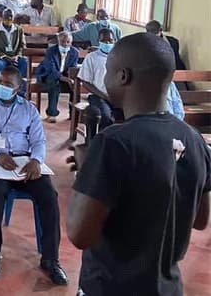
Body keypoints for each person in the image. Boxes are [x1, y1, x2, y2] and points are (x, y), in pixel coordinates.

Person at [66, 32, 210, 296]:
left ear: (123, 76)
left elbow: (80, 234)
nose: (104, 78)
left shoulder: (113, 142)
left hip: (111, 287)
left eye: (108, 70)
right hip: (167, 287)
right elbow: (200, 219)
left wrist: (87, 173)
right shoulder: (195, 140)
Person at [0, 66, 68, 286]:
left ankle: (50, 259)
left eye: (7, 84)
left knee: (49, 195)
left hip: (23, 162)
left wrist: (36, 160)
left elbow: (39, 141)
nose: (1, 86)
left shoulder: (29, 109)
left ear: (18, 88)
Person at [78, 28, 120, 131]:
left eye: (110, 40)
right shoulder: (92, 57)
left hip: (118, 96)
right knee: (105, 116)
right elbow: (85, 82)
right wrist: (105, 96)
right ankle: (101, 139)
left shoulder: (120, 57)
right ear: (99, 41)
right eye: (103, 41)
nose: (107, 43)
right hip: (98, 96)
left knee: (131, 116)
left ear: (115, 41)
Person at [35, 31, 80, 123]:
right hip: (48, 75)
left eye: (68, 42)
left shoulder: (74, 52)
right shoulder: (51, 51)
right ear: (58, 41)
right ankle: (52, 114)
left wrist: (70, 78)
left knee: (75, 84)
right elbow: (50, 68)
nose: (65, 44)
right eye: (62, 41)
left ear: (71, 43)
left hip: (65, 76)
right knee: (54, 82)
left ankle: (73, 114)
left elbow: (73, 67)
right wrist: (62, 78)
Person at [0, 9, 28, 93]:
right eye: (7, 16)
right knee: (0, 65)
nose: (9, 18)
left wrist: (17, 56)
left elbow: (22, 45)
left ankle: (20, 90)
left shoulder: (19, 30)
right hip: (0, 57)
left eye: (11, 16)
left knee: (24, 62)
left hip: (15, 56)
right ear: (2, 17)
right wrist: (5, 56)